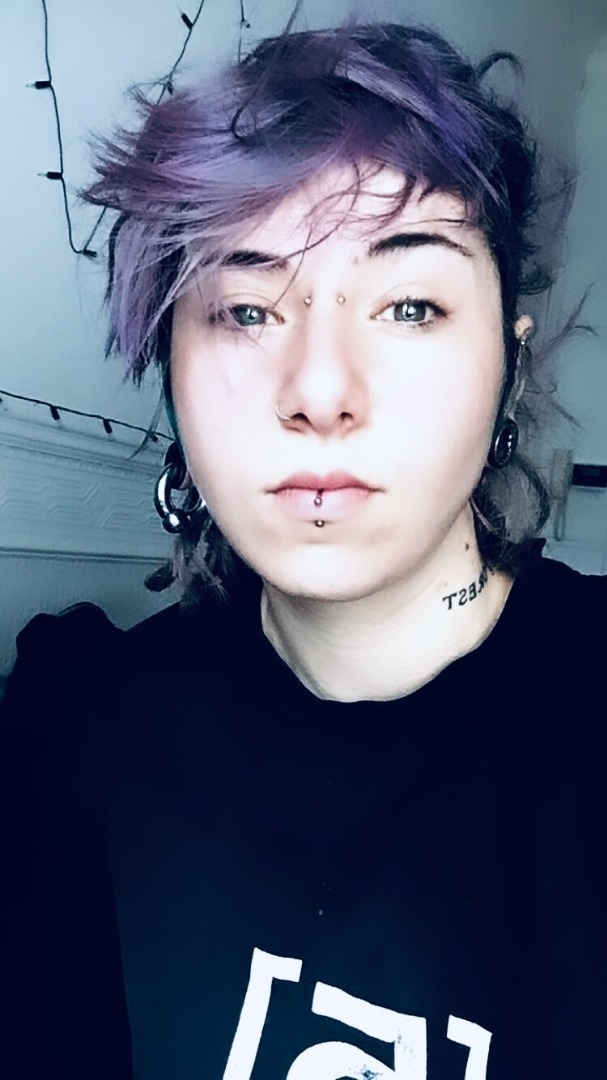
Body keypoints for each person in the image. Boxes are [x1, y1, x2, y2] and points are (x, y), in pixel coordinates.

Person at [1, 19, 605, 1080]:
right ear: (169, 369)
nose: (320, 390)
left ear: (508, 367)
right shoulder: (86, 736)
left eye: (409, 305)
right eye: (245, 309)